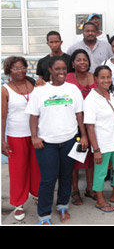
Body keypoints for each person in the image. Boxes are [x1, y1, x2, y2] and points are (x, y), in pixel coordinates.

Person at [25, 56, 88, 225]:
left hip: (69, 140)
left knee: (66, 175)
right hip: (46, 143)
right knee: (48, 179)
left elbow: (79, 114)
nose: (61, 72)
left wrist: (84, 135)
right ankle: (44, 215)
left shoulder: (73, 89)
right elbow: (33, 116)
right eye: (57, 69)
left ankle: (62, 206)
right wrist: (34, 137)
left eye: (64, 69)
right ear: (50, 71)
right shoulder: (39, 91)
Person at [84, 65, 114, 212]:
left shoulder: (112, 94)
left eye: (108, 77)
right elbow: (89, 127)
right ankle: (100, 199)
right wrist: (96, 149)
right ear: (95, 79)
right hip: (102, 143)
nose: (106, 80)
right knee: (101, 172)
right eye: (102, 77)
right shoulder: (91, 99)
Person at [1, 56, 40, 221]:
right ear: (9, 70)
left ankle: (38, 194)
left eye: (22, 67)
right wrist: (2, 140)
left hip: (36, 134)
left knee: (37, 167)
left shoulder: (34, 85)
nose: (20, 71)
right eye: (16, 68)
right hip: (16, 135)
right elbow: (2, 117)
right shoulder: (5, 89)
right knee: (18, 170)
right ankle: (18, 204)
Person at [65, 49, 97, 206]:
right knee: (75, 159)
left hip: (93, 124)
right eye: (79, 60)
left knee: (91, 158)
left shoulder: (94, 77)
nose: (82, 62)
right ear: (72, 63)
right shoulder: (68, 78)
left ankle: (90, 189)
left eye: (85, 59)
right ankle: (75, 190)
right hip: (73, 124)